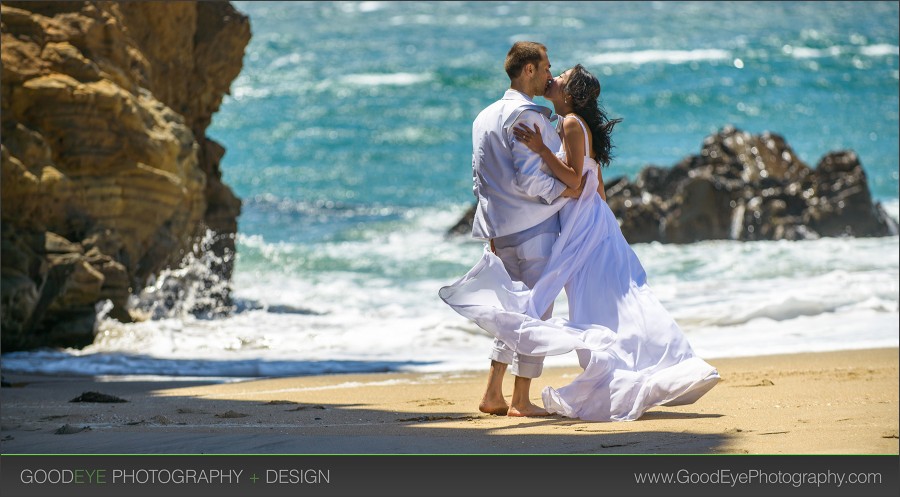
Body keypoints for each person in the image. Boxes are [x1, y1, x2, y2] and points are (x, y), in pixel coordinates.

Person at [440, 64, 720, 421]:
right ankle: (520, 391)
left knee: (555, 300)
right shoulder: (566, 124)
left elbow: (574, 181)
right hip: (585, 220)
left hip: (582, 223)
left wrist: (542, 151)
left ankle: (519, 392)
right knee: (588, 299)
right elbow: (593, 178)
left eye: (561, 78)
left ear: (571, 94)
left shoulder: (570, 124)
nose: (552, 78)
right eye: (551, 73)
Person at [467, 41, 584, 417]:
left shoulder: (483, 117)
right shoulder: (528, 116)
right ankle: (520, 400)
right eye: (547, 67)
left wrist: (491, 231)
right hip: (534, 230)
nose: (551, 74)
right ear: (529, 69)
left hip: (499, 234)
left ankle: (492, 394)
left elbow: (479, 181)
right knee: (535, 315)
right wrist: (565, 192)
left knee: (510, 314)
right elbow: (532, 182)